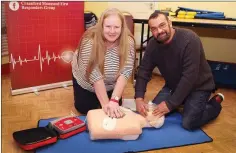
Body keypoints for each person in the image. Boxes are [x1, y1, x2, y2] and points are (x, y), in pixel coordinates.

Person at [134, 11, 224, 130]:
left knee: (188, 122)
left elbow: (189, 77)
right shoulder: (152, 45)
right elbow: (144, 70)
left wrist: (170, 104)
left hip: (199, 87)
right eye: (154, 29)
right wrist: (139, 97)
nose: (159, 31)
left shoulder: (190, 39)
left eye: (162, 25)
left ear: (170, 23)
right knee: (154, 112)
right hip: (173, 86)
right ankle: (182, 102)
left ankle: (215, 103)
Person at [72, 8, 135, 118]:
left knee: (115, 108)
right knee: (85, 110)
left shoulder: (128, 41)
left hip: (111, 83)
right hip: (87, 83)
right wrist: (107, 107)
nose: (112, 31)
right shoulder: (89, 41)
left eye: (116, 27)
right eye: (108, 26)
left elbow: (125, 72)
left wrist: (114, 100)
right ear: (101, 26)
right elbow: (95, 76)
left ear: (122, 28)